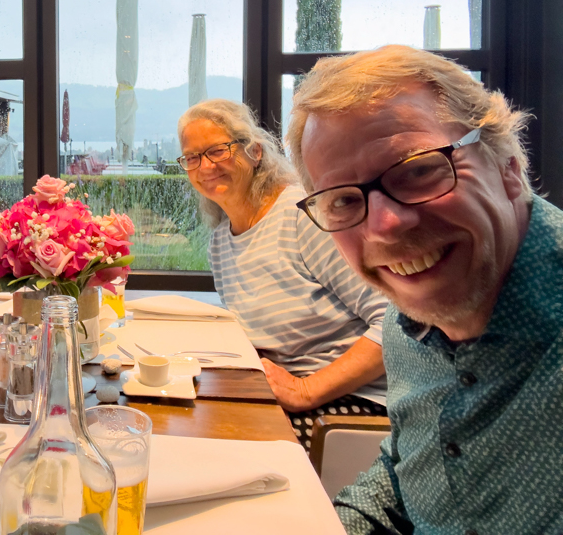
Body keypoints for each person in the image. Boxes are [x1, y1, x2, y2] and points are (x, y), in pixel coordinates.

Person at [287, 44, 563, 535]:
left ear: (508, 167)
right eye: (345, 200)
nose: (386, 225)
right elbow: (407, 470)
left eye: (418, 170)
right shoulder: (404, 327)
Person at [178, 99, 388, 447]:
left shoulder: (301, 215)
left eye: (218, 150)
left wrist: (307, 390)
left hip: (354, 406)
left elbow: (395, 322)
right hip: (286, 398)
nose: (205, 166)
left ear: (255, 152)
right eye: (192, 157)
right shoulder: (220, 242)